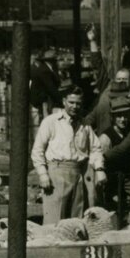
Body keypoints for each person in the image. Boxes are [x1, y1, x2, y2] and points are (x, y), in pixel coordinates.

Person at [30, 84, 106, 224]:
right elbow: (37, 150)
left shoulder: (85, 124)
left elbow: (95, 148)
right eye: (71, 102)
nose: (75, 106)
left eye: (78, 103)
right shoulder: (51, 122)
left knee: (76, 220)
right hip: (56, 173)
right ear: (64, 101)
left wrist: (99, 169)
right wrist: (43, 174)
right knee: (55, 220)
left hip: (78, 173)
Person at [29, 49, 62, 124]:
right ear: (52, 61)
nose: (57, 62)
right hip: (41, 101)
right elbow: (51, 87)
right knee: (45, 119)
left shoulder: (48, 68)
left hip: (44, 100)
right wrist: (61, 100)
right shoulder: (44, 70)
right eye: (56, 60)